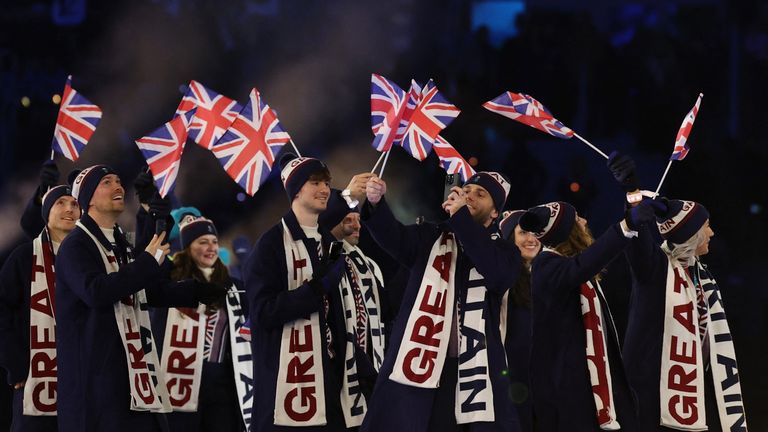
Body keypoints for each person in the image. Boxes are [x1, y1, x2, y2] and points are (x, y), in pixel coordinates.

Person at [55, 165, 226, 431]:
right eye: (107, 182)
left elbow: (142, 290)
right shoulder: (75, 245)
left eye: (118, 180)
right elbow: (97, 291)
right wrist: (147, 260)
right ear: (87, 199)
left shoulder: (118, 242)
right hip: (96, 386)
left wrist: (196, 291)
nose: (118, 186)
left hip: (132, 377)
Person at [360, 171, 523, 432]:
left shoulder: (505, 251)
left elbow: (497, 273)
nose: (470, 195)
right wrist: (376, 204)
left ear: (495, 213)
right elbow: (394, 238)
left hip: (474, 371)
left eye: (481, 194)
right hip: (423, 366)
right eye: (467, 189)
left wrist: (461, 220)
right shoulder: (431, 237)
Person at [607, 153, 749, 431]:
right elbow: (638, 244)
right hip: (648, 391)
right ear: (692, 235)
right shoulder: (655, 269)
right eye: (707, 227)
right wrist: (632, 193)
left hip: (685, 386)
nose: (712, 233)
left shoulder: (698, 272)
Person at [519, 199, 655, 432]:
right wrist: (626, 225)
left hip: (595, 392)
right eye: (577, 219)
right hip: (570, 398)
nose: (584, 221)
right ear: (568, 232)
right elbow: (585, 264)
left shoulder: (572, 271)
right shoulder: (546, 266)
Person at [243, 154, 349, 431]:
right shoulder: (269, 245)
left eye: (326, 182)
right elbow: (263, 313)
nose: (325, 189)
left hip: (328, 382)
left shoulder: (330, 243)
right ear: (295, 189)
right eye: (314, 182)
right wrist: (316, 289)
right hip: (287, 384)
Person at [154, 216, 252, 432]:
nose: (211, 248)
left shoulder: (233, 285)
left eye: (214, 241)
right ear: (188, 247)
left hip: (221, 384)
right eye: (202, 242)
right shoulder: (170, 281)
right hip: (178, 380)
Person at [0, 185, 79, 431]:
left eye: (75, 204)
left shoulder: (90, 260)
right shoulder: (24, 257)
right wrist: (16, 365)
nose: (69, 209)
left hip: (81, 379)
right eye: (60, 203)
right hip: (35, 380)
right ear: (46, 213)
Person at [319, 189, 388, 401]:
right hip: (339, 367)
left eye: (358, 219)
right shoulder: (325, 256)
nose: (357, 226)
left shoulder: (371, 265)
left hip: (374, 365)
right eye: (348, 220)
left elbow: (386, 314)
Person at [497, 210, 541, 432]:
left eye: (535, 232)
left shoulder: (549, 274)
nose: (531, 239)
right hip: (511, 379)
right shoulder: (503, 278)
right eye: (523, 232)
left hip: (544, 383)